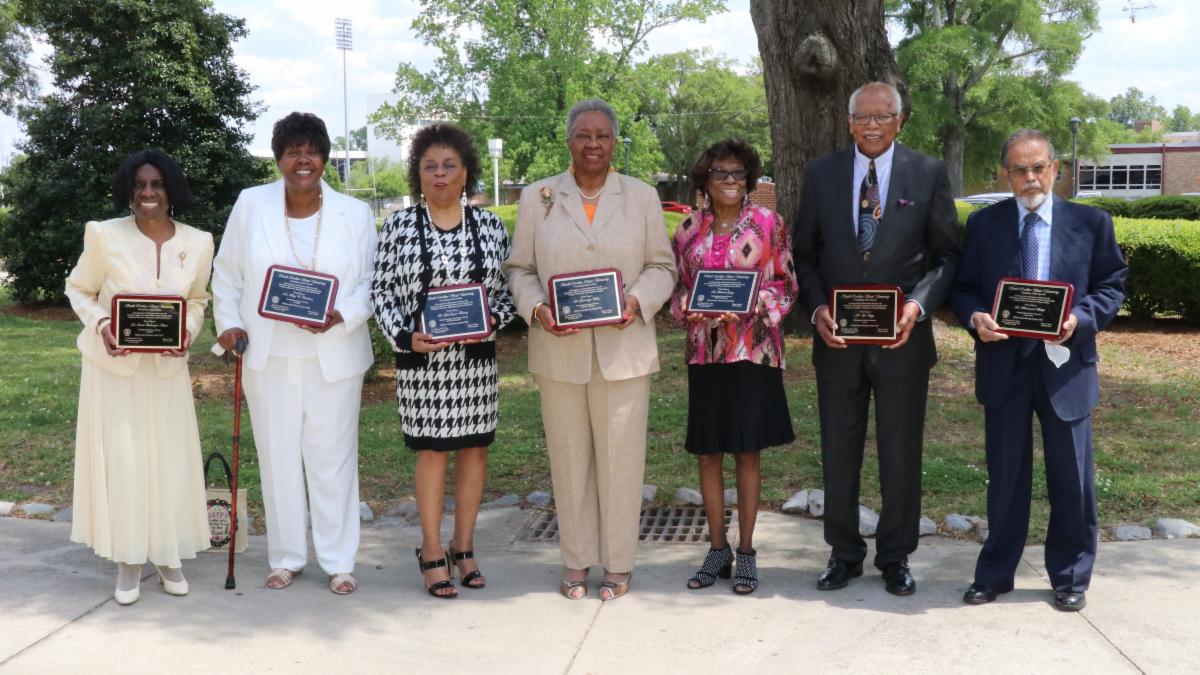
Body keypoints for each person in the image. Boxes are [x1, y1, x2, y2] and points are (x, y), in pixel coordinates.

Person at [503, 98, 677, 601]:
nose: (593, 144)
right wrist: (537, 309)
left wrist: (638, 301)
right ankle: (576, 561)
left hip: (624, 351)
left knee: (622, 462)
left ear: (614, 141)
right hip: (559, 353)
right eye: (583, 135)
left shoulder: (642, 197)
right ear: (569, 141)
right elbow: (519, 270)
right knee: (569, 459)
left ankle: (619, 563)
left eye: (602, 135)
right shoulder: (538, 198)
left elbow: (662, 267)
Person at [792, 81, 960, 596]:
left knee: (900, 453)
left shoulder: (928, 173)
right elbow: (806, 255)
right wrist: (818, 308)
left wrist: (916, 306)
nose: (871, 125)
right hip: (838, 343)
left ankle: (896, 557)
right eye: (862, 117)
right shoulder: (822, 175)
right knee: (838, 450)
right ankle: (843, 554)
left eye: (882, 116)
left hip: (902, 344)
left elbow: (948, 256)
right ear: (849, 122)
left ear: (899, 121)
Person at [951, 129, 1127, 612]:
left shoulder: (1091, 223)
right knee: (1005, 477)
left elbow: (1113, 285)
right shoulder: (985, 226)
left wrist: (1079, 320)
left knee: (1072, 478)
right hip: (1004, 366)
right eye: (1019, 170)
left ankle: (1071, 577)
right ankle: (994, 574)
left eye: (1038, 168)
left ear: (1056, 169)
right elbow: (963, 288)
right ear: (1005, 175)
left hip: (1066, 367)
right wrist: (974, 318)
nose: (1030, 179)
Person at [211, 112, 377, 595]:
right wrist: (230, 325)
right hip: (267, 355)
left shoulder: (355, 213)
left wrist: (341, 314)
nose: (302, 160)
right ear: (279, 157)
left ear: (324, 156)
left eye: (311, 150)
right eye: (292, 151)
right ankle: (286, 557)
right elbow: (227, 274)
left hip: (335, 353)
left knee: (333, 459)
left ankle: (340, 560)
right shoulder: (251, 204)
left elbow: (371, 282)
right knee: (278, 457)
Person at [371, 123, 516, 598]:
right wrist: (404, 336)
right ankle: (431, 549)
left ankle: (464, 545)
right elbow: (381, 292)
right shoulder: (398, 225)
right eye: (429, 166)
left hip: (475, 363)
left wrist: (493, 318)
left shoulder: (491, 226)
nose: (439, 174)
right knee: (432, 452)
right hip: (423, 364)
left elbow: (507, 293)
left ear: (466, 172)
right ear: (418, 174)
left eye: (448, 165)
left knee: (475, 450)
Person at [64, 149, 213, 605]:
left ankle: (167, 555)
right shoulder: (104, 235)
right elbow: (79, 288)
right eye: (140, 185)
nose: (148, 193)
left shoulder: (200, 241)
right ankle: (128, 561)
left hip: (166, 371)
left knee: (167, 460)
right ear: (130, 191)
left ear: (172, 190)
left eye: (157, 185)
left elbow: (197, 299)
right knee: (126, 461)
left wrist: (185, 332)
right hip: (115, 371)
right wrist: (104, 325)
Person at [669, 138, 798, 594]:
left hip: (753, 352)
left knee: (747, 450)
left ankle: (746, 552)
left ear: (749, 180)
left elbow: (786, 285)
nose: (730, 181)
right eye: (720, 172)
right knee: (708, 451)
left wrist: (752, 305)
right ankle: (717, 548)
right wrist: (692, 308)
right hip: (705, 353)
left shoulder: (769, 224)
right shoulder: (686, 230)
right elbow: (677, 291)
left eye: (739, 173)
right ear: (704, 179)